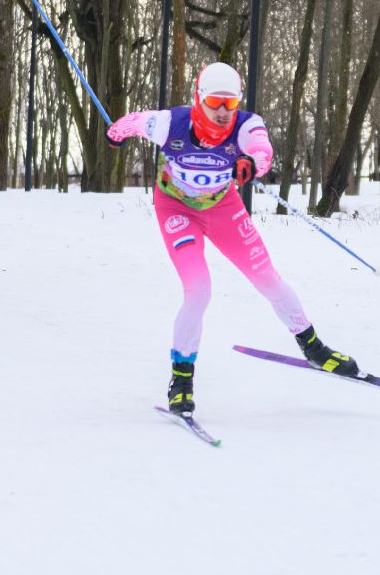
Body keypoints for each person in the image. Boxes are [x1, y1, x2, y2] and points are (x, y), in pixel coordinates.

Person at [105, 61, 359, 415]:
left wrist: (253, 164)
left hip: (223, 209)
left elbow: (262, 148)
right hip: (177, 210)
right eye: (215, 103)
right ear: (199, 99)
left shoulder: (245, 125)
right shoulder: (170, 123)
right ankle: (181, 379)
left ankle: (314, 348)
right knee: (198, 290)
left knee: (268, 279)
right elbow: (131, 121)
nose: (223, 113)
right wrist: (114, 135)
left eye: (230, 103)